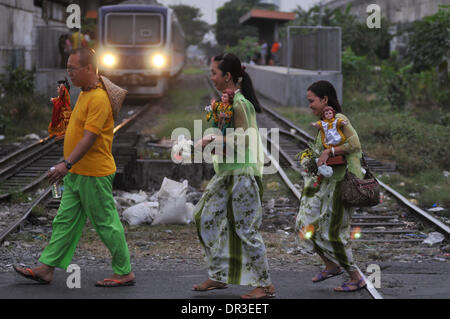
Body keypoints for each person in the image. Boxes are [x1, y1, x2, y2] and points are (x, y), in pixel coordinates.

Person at [13, 48, 134, 287]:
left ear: (89, 69)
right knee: (64, 221)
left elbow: (89, 138)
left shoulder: (98, 98)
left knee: (106, 223)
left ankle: (124, 271)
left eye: (72, 69)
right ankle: (47, 268)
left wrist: (66, 163)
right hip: (79, 172)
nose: (69, 73)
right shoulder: (84, 93)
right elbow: (77, 130)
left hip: (94, 173)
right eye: (67, 68)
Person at [192, 53, 275, 299]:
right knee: (204, 218)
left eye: (214, 73)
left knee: (245, 228)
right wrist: (213, 143)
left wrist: (211, 139)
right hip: (227, 173)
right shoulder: (226, 103)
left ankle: (265, 283)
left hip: (242, 174)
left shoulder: (241, 104)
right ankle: (218, 275)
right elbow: (228, 140)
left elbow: (244, 139)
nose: (211, 77)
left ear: (228, 76)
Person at [295, 80, 366, 292]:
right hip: (326, 183)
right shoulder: (322, 125)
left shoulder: (340, 119)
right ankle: (331, 265)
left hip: (343, 182)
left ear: (325, 100)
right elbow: (318, 152)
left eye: (312, 101)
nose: (310, 105)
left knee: (334, 232)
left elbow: (355, 144)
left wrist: (330, 152)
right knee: (304, 223)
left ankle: (356, 276)